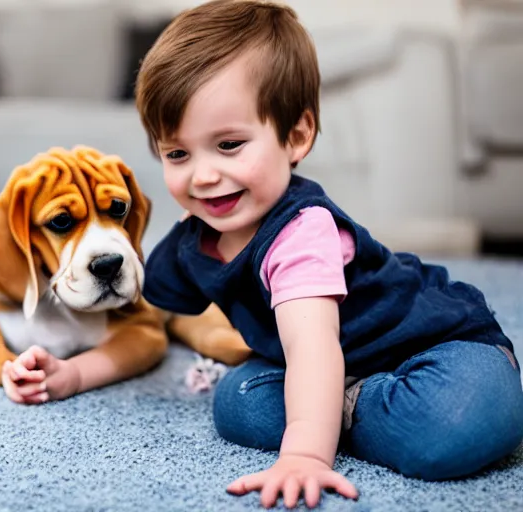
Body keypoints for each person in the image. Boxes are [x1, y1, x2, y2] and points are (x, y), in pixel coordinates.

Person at [128, 0, 523, 508]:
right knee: (238, 405)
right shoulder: (195, 237)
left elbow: (312, 347)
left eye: (229, 145)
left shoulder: (300, 233)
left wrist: (306, 456)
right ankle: (344, 404)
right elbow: (136, 306)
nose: (202, 176)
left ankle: (335, 411)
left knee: (461, 421)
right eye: (177, 154)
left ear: (297, 136)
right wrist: (68, 366)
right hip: (336, 365)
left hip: (440, 347)